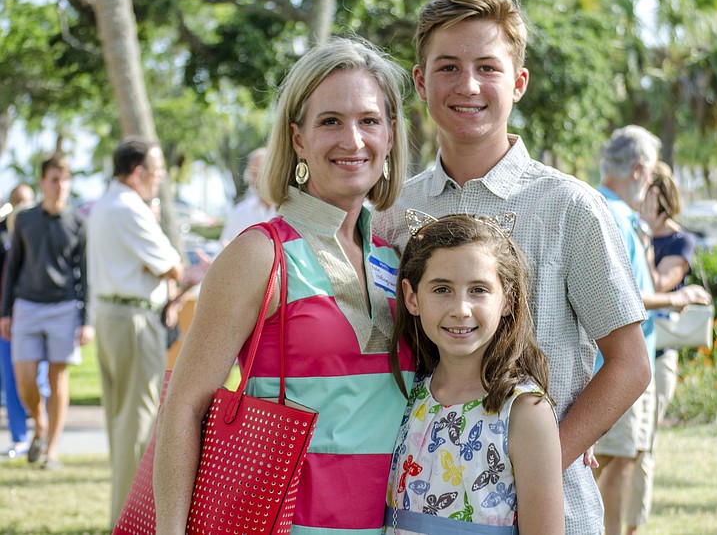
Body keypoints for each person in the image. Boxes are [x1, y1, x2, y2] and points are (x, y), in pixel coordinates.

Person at [372, 0, 651, 533]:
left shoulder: (570, 207)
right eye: (448, 67)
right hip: (422, 509)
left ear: (518, 82)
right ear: (421, 81)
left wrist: (533, 464)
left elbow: (630, 364)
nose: (468, 85)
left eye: (488, 68)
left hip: (551, 512)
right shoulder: (391, 210)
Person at [153, 37, 414, 535]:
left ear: (390, 134)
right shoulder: (259, 254)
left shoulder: (397, 258)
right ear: (298, 139)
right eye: (330, 121)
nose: (352, 140)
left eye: (369, 120)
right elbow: (184, 407)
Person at [385, 213, 564, 533]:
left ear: (508, 300)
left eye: (478, 289)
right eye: (442, 289)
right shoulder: (406, 393)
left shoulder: (524, 411)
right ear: (412, 298)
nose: (460, 309)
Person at [592, 127, 711, 535]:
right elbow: (624, 298)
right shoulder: (614, 216)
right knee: (614, 461)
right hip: (615, 365)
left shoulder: (607, 210)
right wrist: (676, 300)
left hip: (616, 363)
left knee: (617, 459)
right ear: (639, 169)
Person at [87, 137, 186, 524]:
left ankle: (121, 518)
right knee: (138, 427)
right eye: (157, 172)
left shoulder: (105, 204)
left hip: (112, 316)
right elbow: (173, 266)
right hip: (134, 320)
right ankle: (129, 522)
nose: (159, 179)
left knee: (121, 425)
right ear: (138, 172)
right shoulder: (131, 208)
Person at [0, 156, 93, 469]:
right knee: (24, 379)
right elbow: (13, 267)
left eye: (65, 179)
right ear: (42, 182)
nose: (60, 186)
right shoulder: (25, 220)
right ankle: (39, 423)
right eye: (54, 179)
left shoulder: (78, 223)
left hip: (64, 308)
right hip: (26, 306)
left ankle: (51, 451)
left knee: (58, 379)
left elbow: (85, 275)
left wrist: (87, 321)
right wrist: (5, 312)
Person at [624, 161, 699, 535]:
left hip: (658, 357)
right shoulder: (629, 228)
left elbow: (657, 288)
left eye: (649, 198)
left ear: (662, 201)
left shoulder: (679, 242)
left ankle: (631, 527)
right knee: (621, 449)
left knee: (642, 448)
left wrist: (647, 241)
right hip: (627, 354)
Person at [0, 183, 46, 460]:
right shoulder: (3, 238)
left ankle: (42, 431)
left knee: (41, 381)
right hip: (8, 322)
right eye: (17, 201)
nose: (22, 207)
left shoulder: (42, 236)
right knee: (12, 381)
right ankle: (19, 437)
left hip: (39, 318)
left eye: (27, 201)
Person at [219, 147, 278, 244]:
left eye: (261, 173)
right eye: (253, 174)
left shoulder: (290, 211)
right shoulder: (239, 212)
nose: (256, 180)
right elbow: (225, 244)